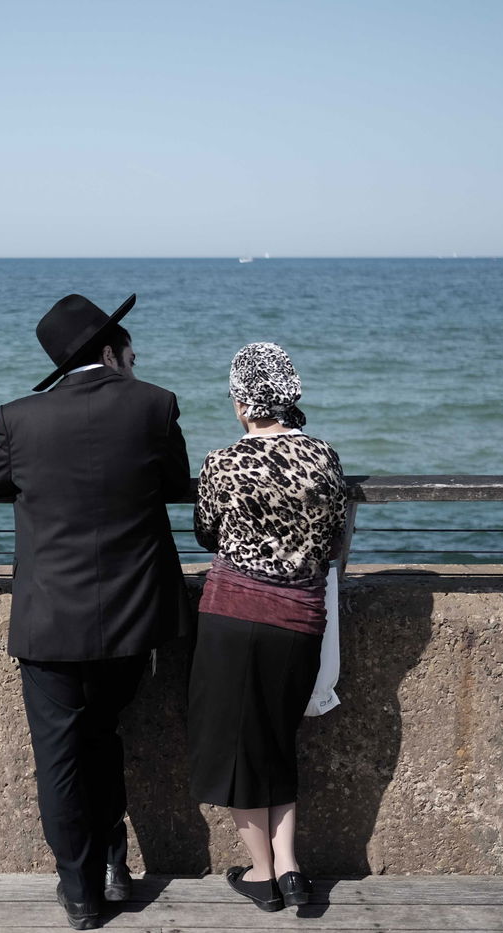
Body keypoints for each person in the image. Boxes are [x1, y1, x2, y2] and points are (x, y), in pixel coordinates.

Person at [0, 293, 191, 931]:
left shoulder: (21, 418)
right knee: (104, 737)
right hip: (132, 620)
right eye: (131, 350)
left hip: (49, 623)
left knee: (62, 757)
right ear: (110, 352)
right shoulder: (154, 404)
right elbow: (176, 483)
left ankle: (82, 893)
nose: (136, 359)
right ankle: (116, 868)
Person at [187, 342, 348, 913]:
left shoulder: (221, 462)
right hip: (301, 621)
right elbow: (331, 537)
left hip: (233, 618)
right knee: (278, 741)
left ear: (241, 400)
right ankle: (292, 868)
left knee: (235, 749)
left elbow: (207, 533)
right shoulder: (324, 459)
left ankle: (262, 874)